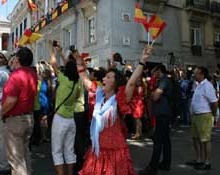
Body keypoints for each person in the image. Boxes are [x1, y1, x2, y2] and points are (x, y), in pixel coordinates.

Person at [73, 46, 152, 175]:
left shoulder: (120, 99)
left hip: (115, 151)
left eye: (109, 77)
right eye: (105, 77)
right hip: (98, 149)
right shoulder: (98, 95)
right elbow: (84, 79)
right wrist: (78, 61)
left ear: (116, 83)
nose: (104, 79)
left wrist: (142, 61)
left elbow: (131, 82)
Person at [0, 47, 38, 175]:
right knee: (24, 154)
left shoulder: (15, 75)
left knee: (16, 160)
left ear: (18, 59)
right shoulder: (32, 73)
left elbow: (11, 100)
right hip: (28, 118)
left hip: (15, 119)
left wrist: (1, 113)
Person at [49, 42, 81, 175]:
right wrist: (61, 52)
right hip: (71, 120)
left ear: (66, 71)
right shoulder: (77, 83)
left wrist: (51, 49)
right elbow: (68, 65)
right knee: (69, 151)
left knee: (57, 151)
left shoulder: (62, 79)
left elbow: (53, 63)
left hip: (60, 119)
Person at [139, 64, 173, 175]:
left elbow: (154, 96)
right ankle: (166, 163)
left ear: (159, 71)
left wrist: (153, 93)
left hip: (163, 114)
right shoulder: (162, 81)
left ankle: (153, 167)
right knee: (165, 140)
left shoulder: (164, 80)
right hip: (163, 113)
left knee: (158, 140)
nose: (153, 74)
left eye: (155, 72)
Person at [186, 66, 218, 170]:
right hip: (196, 116)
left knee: (205, 140)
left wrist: (212, 114)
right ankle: (199, 159)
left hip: (204, 116)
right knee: (195, 139)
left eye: (196, 73)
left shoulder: (207, 85)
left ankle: (207, 162)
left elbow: (214, 102)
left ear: (202, 74)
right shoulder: (198, 85)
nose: (193, 75)